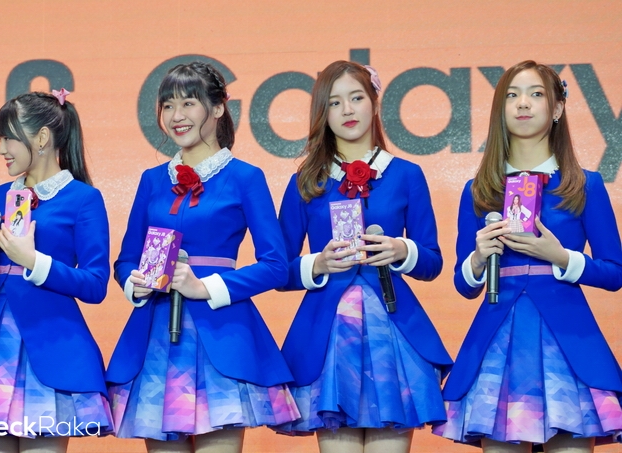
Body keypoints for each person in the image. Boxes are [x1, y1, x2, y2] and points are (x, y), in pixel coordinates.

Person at [106, 62, 299, 453]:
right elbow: (125, 261)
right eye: (168, 106)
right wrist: (135, 282)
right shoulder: (151, 180)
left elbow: (276, 266)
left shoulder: (245, 177)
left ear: (217, 108)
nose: (176, 116)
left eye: (188, 103)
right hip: (156, 334)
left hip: (222, 331)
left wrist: (206, 287)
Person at [433, 60, 622, 452]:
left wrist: (562, 257)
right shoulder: (478, 189)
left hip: (568, 340)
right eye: (512, 95)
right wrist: (478, 259)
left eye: (536, 94)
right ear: (500, 109)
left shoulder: (585, 184)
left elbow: (614, 271)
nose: (523, 103)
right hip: (498, 340)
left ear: (557, 108)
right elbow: (463, 285)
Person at [275, 60, 453, 453]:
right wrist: (317, 264)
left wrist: (401, 250)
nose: (348, 110)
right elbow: (277, 269)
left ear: (374, 103)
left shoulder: (406, 174)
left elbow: (432, 261)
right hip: (328, 334)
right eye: (335, 103)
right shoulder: (306, 181)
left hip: (393, 328)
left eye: (356, 98)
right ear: (323, 113)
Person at [0, 90, 113, 453]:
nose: (1, 149)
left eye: (8, 138)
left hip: (51, 341)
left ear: (42, 137)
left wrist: (34, 262)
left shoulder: (83, 199)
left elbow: (96, 284)